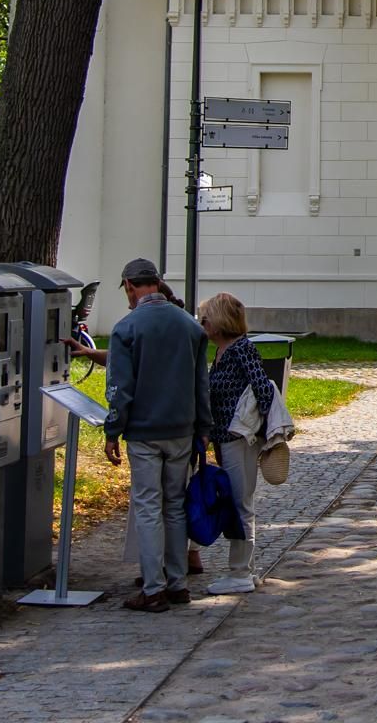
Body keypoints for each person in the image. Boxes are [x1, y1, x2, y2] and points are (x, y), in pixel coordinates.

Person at [104, 257, 211, 613]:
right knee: (175, 505)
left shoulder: (127, 328)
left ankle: (153, 589)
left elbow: (120, 388)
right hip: (181, 430)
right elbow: (201, 385)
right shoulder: (190, 326)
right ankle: (178, 584)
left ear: (131, 286)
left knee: (148, 506)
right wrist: (204, 428)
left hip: (144, 431)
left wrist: (112, 430)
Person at [196, 292, 274, 595]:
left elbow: (263, 391)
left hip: (238, 438)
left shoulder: (242, 349)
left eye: (206, 317)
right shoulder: (221, 352)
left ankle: (240, 572)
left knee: (241, 502)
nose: (202, 322)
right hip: (224, 436)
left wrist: (251, 428)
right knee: (238, 500)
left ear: (220, 320)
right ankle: (245, 569)